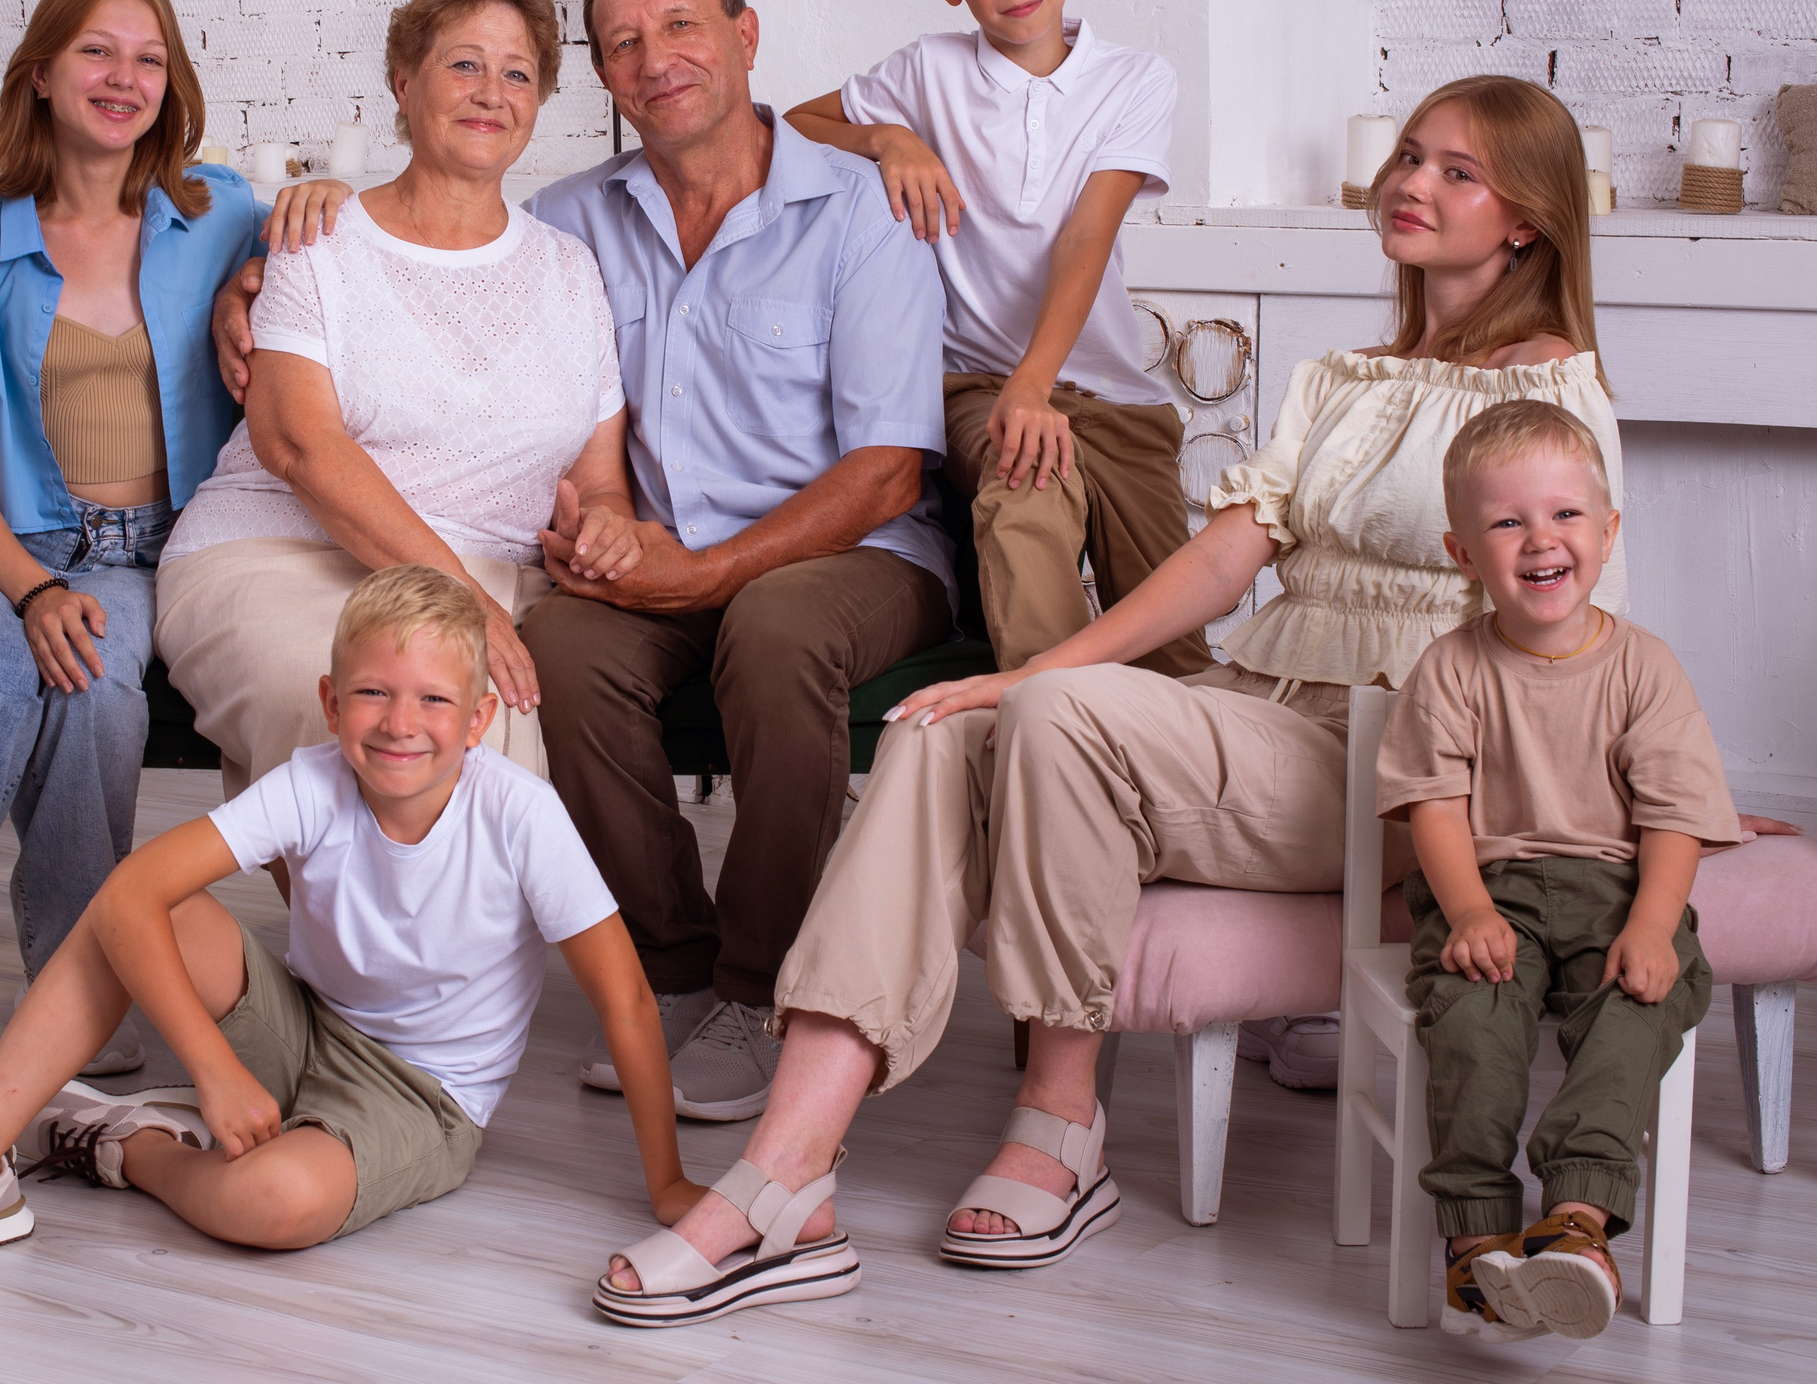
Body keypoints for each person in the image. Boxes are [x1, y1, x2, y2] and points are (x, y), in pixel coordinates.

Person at [589, 73, 1630, 1319]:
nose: (1412, 182)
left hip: (1403, 766)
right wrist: (1024, 671)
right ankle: (784, 1176)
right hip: (1268, 708)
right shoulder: (1345, 376)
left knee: (1053, 714)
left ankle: (1061, 1120)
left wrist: (1646, 788)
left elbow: (1569, 623)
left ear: (1524, 217)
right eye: (1410, 156)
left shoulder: (1553, 390)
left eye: (1456, 171)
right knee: (947, 725)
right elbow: (1220, 560)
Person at [217, 0, 955, 1125]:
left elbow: (883, 471)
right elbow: (427, 243)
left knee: (771, 630)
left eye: (679, 26)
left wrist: (706, 568)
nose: (654, 57)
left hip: (851, 554)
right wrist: (260, 266)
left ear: (743, 36)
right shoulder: (570, 222)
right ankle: (666, 971)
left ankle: (762, 988)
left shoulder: (862, 209)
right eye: (622, 43)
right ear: (603, 81)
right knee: (556, 650)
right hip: (649, 560)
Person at [0, 566, 698, 1275]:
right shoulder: (315, 777)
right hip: (305, 1025)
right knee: (141, 905)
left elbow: (624, 1001)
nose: (400, 724)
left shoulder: (522, 814)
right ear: (330, 701)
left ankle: (133, 1148)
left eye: (433, 701)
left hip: (424, 1097)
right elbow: (130, 893)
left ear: (477, 720)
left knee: (276, 1205)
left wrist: (667, 1183)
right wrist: (214, 1069)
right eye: (372, 693)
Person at [0, 0, 291, 1116]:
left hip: (147, 551)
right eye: (96, 51)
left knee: (96, 696)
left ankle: (77, 995)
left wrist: (315, 203)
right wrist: (32, 591)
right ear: (40, 74)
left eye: (147, 56)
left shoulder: (218, 211)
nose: (124, 77)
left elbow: (324, 242)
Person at [155, 0, 632, 797]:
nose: (492, 91)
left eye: (517, 72)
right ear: (404, 82)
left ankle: (404, 928)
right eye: (464, 64)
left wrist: (605, 527)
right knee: (390, 709)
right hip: (275, 556)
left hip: (488, 578)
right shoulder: (321, 238)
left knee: (473, 716)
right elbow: (299, 444)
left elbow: (598, 481)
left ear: (539, 102)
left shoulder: (571, 269)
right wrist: (463, 604)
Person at [784, 0, 1207, 682]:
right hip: (975, 383)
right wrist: (886, 137)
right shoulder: (925, 71)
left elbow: (1086, 238)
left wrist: (1036, 383)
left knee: (1172, 634)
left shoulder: (1134, 80)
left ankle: (1168, 784)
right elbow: (791, 125)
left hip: (1111, 392)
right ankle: (1048, 738)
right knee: (1025, 487)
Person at [1384, 399, 1732, 1344]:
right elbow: (1435, 808)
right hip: (1489, 891)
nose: (1542, 540)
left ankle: (1577, 1221)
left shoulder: (1644, 668)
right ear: (1464, 553)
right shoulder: (1450, 670)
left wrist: (1656, 926)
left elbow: (1674, 817)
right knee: (1469, 1015)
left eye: (1566, 514)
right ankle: (1478, 1237)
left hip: (1619, 895)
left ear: (1608, 531)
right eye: (1508, 521)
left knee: (1638, 1005)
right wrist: (1463, 911)